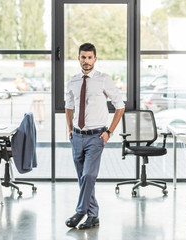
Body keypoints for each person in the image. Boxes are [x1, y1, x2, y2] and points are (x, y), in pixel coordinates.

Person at [65, 43, 125, 229]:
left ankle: (80, 212)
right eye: (83, 57)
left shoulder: (104, 79)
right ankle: (94, 216)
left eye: (90, 57)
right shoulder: (73, 81)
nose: (86, 61)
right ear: (79, 59)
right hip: (76, 136)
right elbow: (69, 107)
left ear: (95, 59)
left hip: (96, 136)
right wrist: (69, 129)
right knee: (83, 178)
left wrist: (110, 132)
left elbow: (120, 106)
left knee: (89, 175)